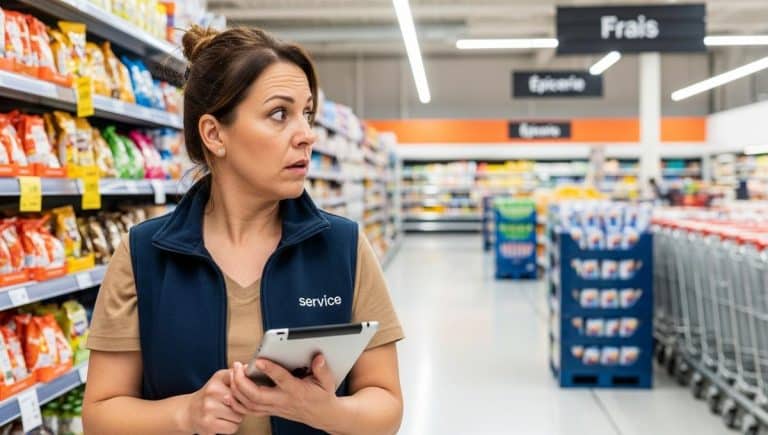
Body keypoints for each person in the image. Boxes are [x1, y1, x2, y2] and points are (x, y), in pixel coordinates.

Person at [82, 25, 404, 435]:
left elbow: (387, 404)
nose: (306, 135)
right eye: (278, 114)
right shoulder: (144, 254)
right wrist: (185, 414)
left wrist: (323, 410)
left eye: (306, 113)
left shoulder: (343, 247)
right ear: (215, 134)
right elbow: (100, 416)